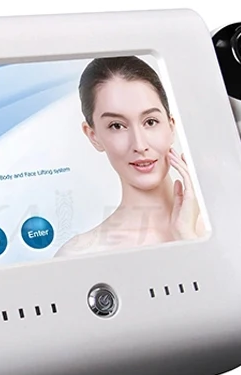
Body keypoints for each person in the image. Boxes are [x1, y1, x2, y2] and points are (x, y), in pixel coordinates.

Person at [56, 56, 205, 257]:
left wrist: (187, 236)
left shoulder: (225, 222)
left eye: (150, 122)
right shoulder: (80, 254)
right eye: (117, 126)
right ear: (93, 136)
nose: (140, 145)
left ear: (171, 126)